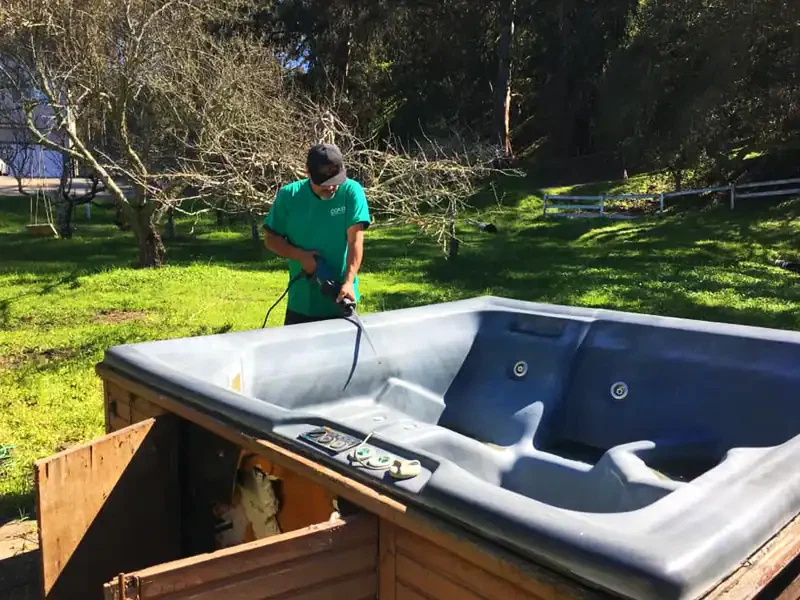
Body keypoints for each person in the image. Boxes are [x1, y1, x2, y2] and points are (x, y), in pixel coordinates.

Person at [263, 143, 371, 326]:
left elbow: (355, 241)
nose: (330, 188)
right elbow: (271, 239)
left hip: (342, 302)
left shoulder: (351, 192)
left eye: (335, 181)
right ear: (308, 172)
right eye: (324, 183)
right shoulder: (289, 196)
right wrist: (300, 256)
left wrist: (348, 282)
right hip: (302, 304)